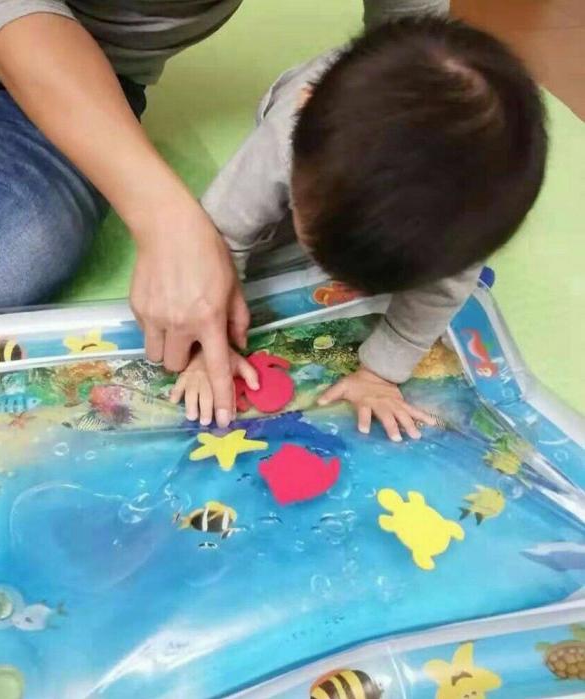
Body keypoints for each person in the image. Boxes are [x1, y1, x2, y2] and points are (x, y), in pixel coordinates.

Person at [0, 0, 449, 429]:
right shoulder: (287, 138)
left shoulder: (448, 184)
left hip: (94, 70)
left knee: (9, 256)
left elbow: (415, 45)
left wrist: (381, 371)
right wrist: (171, 226)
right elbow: (231, 227)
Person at [170, 17, 547, 441]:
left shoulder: (473, 210)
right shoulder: (287, 134)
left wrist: (380, 373)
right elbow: (219, 235)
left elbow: (442, 291)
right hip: (295, 124)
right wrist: (208, 346)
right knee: (248, 231)